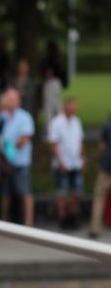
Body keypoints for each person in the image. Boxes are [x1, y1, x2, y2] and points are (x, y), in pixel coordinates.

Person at [0, 88, 36, 226]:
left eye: (12, 99)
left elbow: (25, 137)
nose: (9, 102)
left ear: (19, 101)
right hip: (6, 162)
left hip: (20, 162)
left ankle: (28, 222)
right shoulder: (3, 116)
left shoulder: (25, 117)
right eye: (7, 99)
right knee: (4, 193)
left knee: (24, 191)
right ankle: (3, 220)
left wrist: (10, 147)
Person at [48, 98, 84, 230]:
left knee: (76, 191)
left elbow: (80, 142)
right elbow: (53, 144)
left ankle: (71, 215)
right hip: (63, 163)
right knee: (61, 192)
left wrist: (82, 159)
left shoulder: (76, 122)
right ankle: (62, 217)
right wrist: (60, 162)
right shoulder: (57, 123)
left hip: (75, 162)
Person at [89, 112, 111, 239]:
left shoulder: (107, 127)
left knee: (99, 197)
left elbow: (103, 146)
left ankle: (95, 228)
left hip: (106, 166)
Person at [40, 40, 67, 130]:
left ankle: (57, 128)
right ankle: (51, 129)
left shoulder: (55, 60)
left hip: (54, 83)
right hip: (52, 84)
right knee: (51, 107)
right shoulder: (51, 60)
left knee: (53, 107)